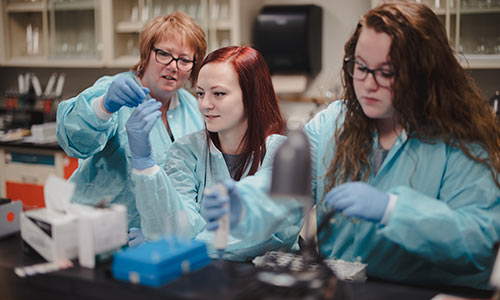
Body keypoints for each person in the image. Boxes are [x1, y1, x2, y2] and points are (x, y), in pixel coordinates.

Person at [202, 1, 500, 290]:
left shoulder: (460, 138)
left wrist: (392, 210)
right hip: (345, 288)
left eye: (386, 72)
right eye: (361, 67)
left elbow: (478, 241)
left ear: (424, 72)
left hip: (425, 291)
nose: (368, 84)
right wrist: (244, 202)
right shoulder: (332, 123)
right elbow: (283, 190)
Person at [126, 46, 299, 260]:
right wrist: (144, 164)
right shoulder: (186, 152)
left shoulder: (281, 154)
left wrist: (177, 247)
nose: (205, 105)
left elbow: (269, 236)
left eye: (218, 94)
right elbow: (179, 225)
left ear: (252, 96)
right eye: (200, 93)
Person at [56, 12, 207, 231]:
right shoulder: (114, 91)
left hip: (159, 238)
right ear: (147, 53)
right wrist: (104, 106)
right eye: (164, 54)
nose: (173, 66)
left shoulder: (194, 109)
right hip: (96, 233)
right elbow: (74, 141)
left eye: (184, 60)